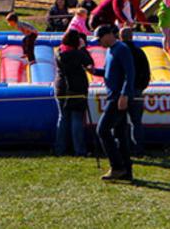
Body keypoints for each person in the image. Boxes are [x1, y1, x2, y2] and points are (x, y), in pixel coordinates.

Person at [94, 24, 136, 182]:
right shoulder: (111, 51)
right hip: (114, 96)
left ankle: (117, 166)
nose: (99, 43)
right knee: (120, 134)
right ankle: (126, 170)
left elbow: (129, 73)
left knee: (102, 130)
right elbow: (108, 72)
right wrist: (94, 71)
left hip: (118, 98)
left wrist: (125, 95)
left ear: (109, 35)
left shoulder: (122, 49)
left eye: (100, 39)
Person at [54, 29, 95, 156]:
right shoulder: (77, 54)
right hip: (76, 87)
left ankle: (60, 148)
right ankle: (79, 149)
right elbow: (89, 63)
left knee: (63, 118)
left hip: (61, 87)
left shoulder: (59, 51)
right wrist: (83, 48)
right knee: (77, 118)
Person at [119, 27, 151, 155]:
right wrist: (142, 86)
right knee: (136, 121)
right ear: (132, 37)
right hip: (137, 89)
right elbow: (147, 72)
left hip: (122, 91)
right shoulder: (139, 52)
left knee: (120, 121)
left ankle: (124, 147)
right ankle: (138, 149)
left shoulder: (119, 52)